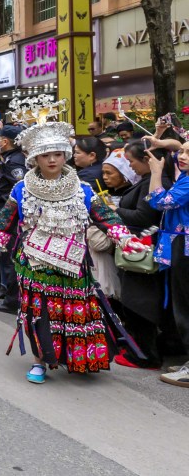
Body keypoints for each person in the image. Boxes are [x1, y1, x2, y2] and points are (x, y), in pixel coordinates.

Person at [0, 98, 144, 384]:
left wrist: (125, 239)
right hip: (34, 263)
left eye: (58, 153)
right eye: (46, 155)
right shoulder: (22, 188)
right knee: (40, 313)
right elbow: (5, 220)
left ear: (66, 155)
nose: (52, 159)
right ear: (35, 158)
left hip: (73, 263)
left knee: (74, 311)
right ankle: (40, 360)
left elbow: (105, 216)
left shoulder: (81, 189)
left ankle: (77, 357)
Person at [109, 141, 167, 370]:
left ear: (147, 160)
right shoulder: (145, 182)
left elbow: (144, 217)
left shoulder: (153, 183)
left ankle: (145, 354)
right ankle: (142, 348)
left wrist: (116, 211)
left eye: (131, 161)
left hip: (142, 249)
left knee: (139, 301)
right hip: (139, 247)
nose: (129, 166)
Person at [146, 139, 189, 387]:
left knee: (185, 307)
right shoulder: (185, 176)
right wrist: (161, 139)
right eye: (181, 151)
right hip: (180, 246)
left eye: (186, 153)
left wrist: (155, 173)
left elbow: (160, 201)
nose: (180, 156)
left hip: (184, 249)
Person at [0, 124, 27, 314]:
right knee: (6, 255)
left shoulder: (15, 162)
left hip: (12, 214)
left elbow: (18, 187)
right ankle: (6, 290)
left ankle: (12, 300)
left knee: (11, 256)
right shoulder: (12, 158)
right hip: (7, 210)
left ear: (4, 141)